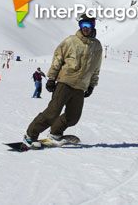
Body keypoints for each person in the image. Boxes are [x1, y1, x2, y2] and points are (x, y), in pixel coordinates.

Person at [24, 13, 103, 148]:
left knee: (73, 117)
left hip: (80, 86)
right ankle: (30, 135)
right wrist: (51, 78)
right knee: (52, 113)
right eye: (83, 25)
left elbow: (96, 68)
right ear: (79, 26)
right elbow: (58, 59)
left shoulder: (97, 46)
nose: (85, 28)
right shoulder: (71, 41)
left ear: (93, 26)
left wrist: (92, 85)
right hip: (65, 82)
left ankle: (55, 133)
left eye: (88, 25)